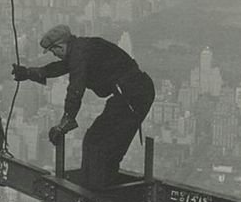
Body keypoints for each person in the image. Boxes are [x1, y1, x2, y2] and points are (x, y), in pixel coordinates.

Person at [12, 25, 154, 189]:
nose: (55, 55)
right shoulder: (80, 49)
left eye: (54, 51)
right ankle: (98, 189)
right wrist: (28, 73)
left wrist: (65, 123)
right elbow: (58, 68)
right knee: (97, 143)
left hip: (133, 95)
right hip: (132, 94)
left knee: (99, 144)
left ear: (60, 46)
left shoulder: (79, 53)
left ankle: (99, 193)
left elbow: (75, 89)